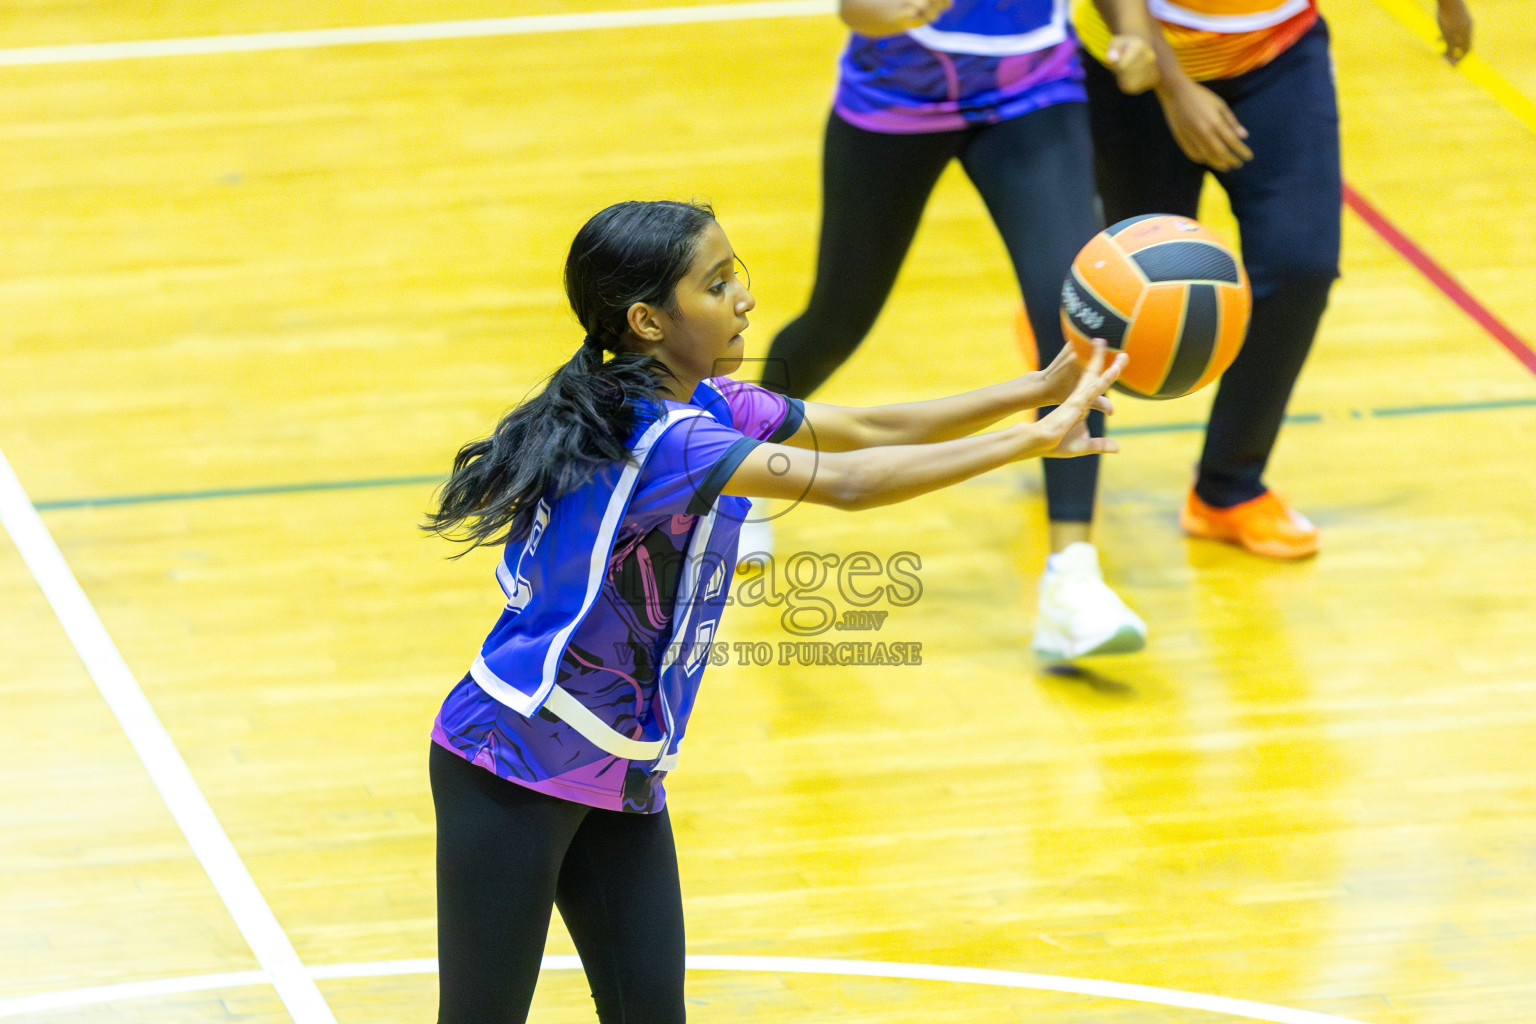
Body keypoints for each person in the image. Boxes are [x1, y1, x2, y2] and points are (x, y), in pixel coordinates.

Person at [421, 199, 1127, 1024]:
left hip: (620, 765)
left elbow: (866, 426)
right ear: (648, 320)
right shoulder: (672, 438)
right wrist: (1032, 440)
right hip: (509, 763)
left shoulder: (712, 405)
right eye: (716, 285)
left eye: (736, 277)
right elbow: (849, 484)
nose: (745, 300)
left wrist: (1036, 390)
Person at [753, 0, 1163, 661]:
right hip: (895, 99)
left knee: (1077, 319)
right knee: (838, 319)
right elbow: (857, 10)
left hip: (1034, 93)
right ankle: (740, 461)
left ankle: (1071, 577)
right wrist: (883, 12)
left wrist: (1134, 33)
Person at [1073, 0, 1472, 558]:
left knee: (1299, 267)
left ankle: (1227, 488)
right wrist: (1174, 87)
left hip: (1280, 52)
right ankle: (1072, 305)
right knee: (1129, 315)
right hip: (1139, 60)